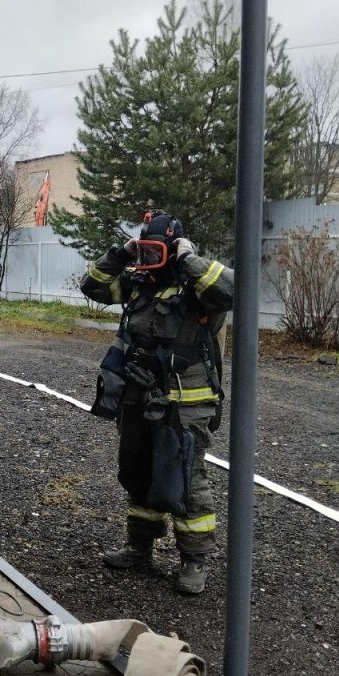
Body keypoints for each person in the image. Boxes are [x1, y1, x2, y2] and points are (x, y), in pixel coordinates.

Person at [80, 210, 234, 594]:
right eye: (144, 250)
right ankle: (139, 546)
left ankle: (194, 560)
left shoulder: (197, 286)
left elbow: (232, 291)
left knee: (184, 480)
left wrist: (188, 259)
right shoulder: (139, 285)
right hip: (137, 395)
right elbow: (93, 286)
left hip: (184, 403)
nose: (149, 259)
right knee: (137, 471)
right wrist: (121, 254)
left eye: (155, 251)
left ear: (174, 248)